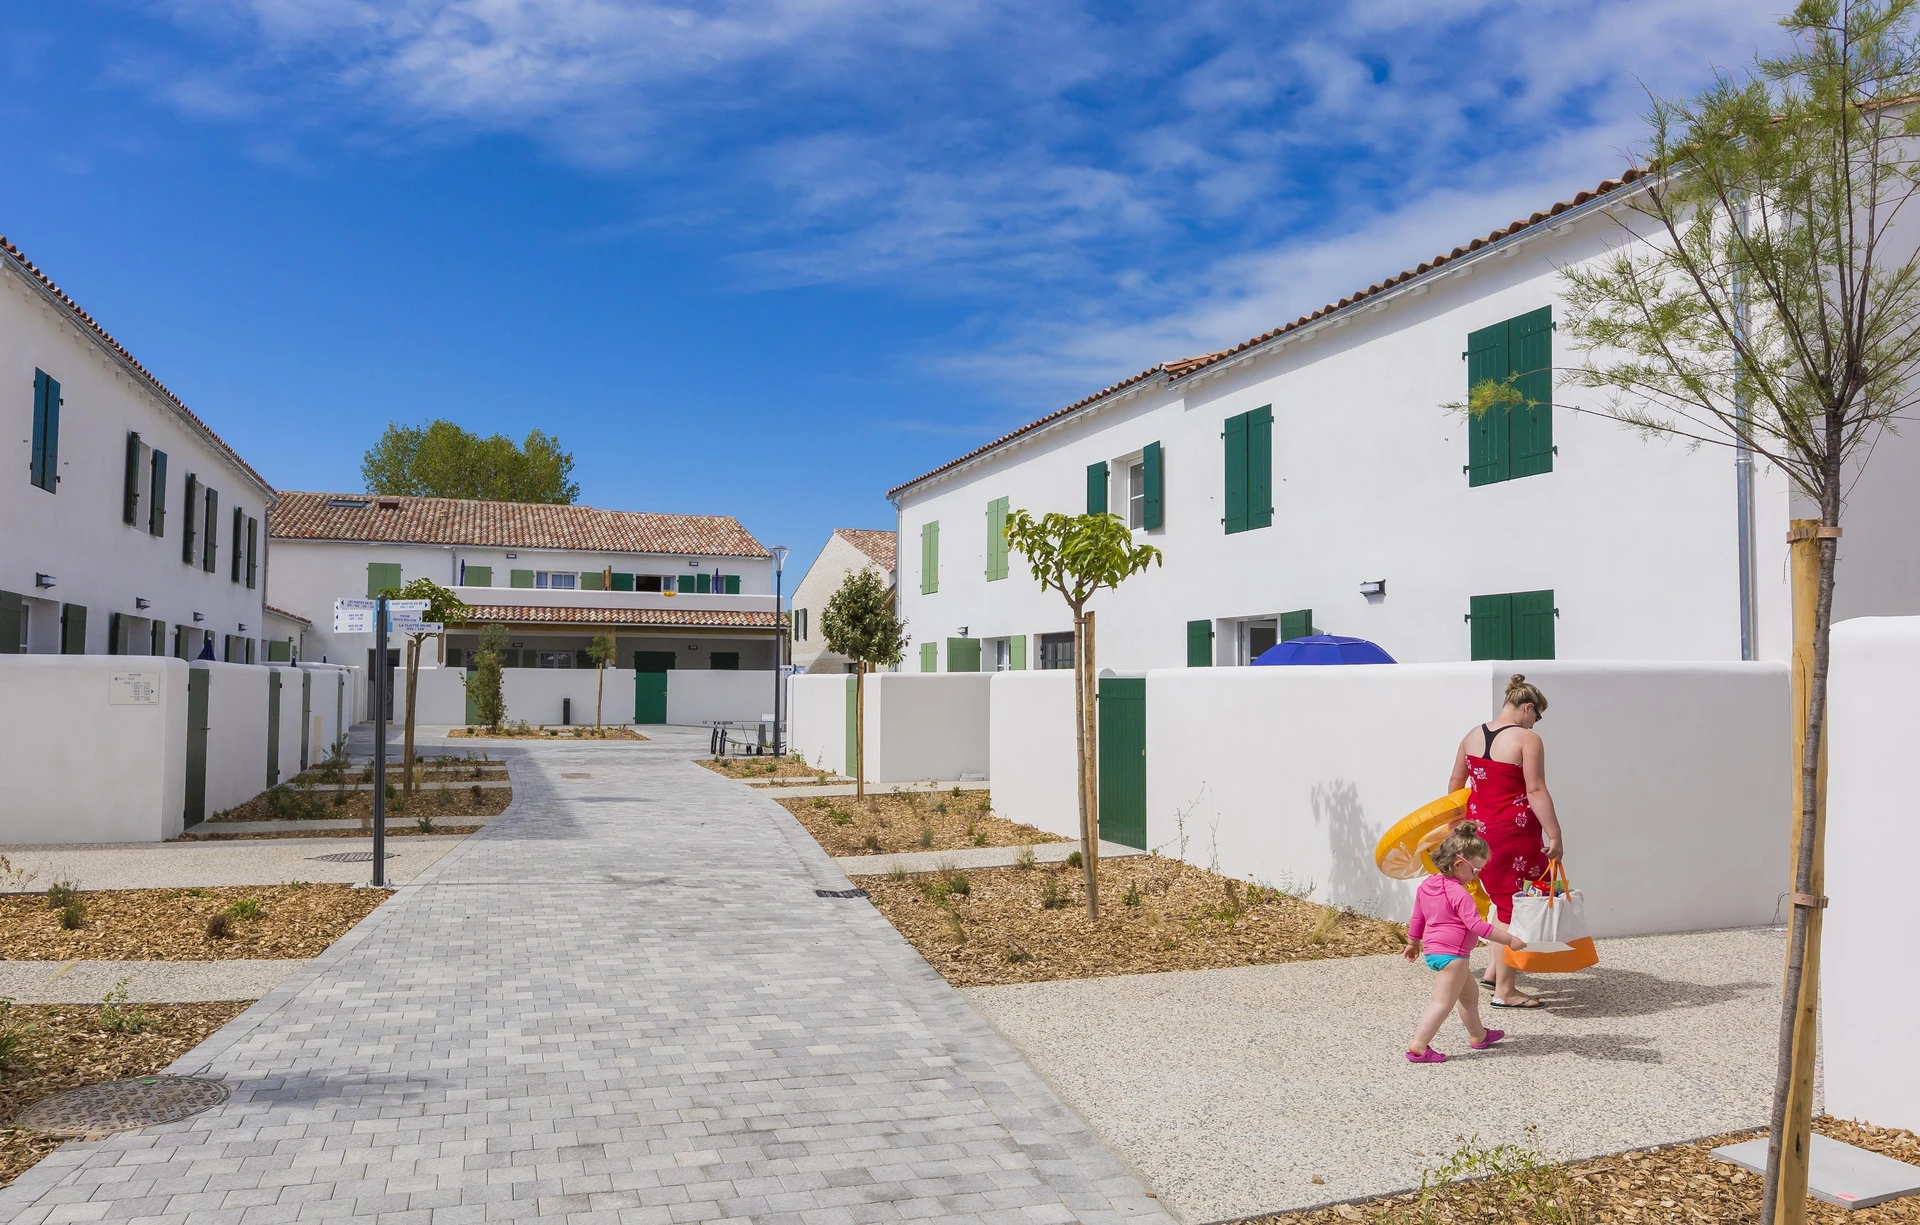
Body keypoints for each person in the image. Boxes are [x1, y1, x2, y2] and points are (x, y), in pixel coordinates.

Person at [1447, 673, 1562, 1008]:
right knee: (1517, 908)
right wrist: (1555, 834)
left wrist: (1457, 827)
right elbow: (1536, 790)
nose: (1535, 724)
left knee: (1503, 900)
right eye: (1536, 717)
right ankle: (1506, 992)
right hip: (1514, 833)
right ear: (1527, 708)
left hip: (1478, 832)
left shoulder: (1471, 735)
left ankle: (1495, 972)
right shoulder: (1526, 740)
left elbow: (1456, 781)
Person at [1403, 822, 1527, 1063]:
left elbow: (1418, 916)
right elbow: (1477, 926)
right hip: (1454, 956)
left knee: (1469, 995)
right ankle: (1418, 1046)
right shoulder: (1459, 893)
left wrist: (1412, 942)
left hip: (1435, 952)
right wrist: (1510, 939)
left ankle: (1478, 1035)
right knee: (1442, 1002)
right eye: (1476, 869)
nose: (1477, 875)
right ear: (1459, 864)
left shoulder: (1426, 886)